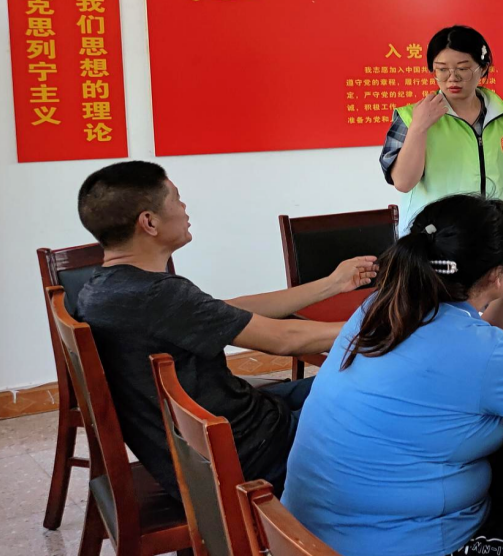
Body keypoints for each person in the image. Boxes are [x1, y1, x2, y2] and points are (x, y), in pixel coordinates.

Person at [282, 195, 503, 556]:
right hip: (394, 549)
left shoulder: (382, 306)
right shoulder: (481, 353)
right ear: (496, 275)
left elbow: (477, 367)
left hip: (308, 534)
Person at [70, 161, 377, 498]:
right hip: (248, 454)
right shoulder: (158, 295)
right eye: (176, 199)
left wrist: (332, 284)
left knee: (351, 380)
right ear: (150, 222)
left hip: (218, 438)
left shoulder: (104, 288)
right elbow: (284, 339)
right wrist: (386, 324)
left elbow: (226, 310)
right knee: (381, 394)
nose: (185, 208)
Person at [380, 25, 503, 259]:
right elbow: (403, 182)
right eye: (442, 69)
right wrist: (419, 127)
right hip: (432, 242)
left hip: (493, 239)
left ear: (483, 68)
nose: (452, 78)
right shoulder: (410, 116)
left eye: (463, 69)